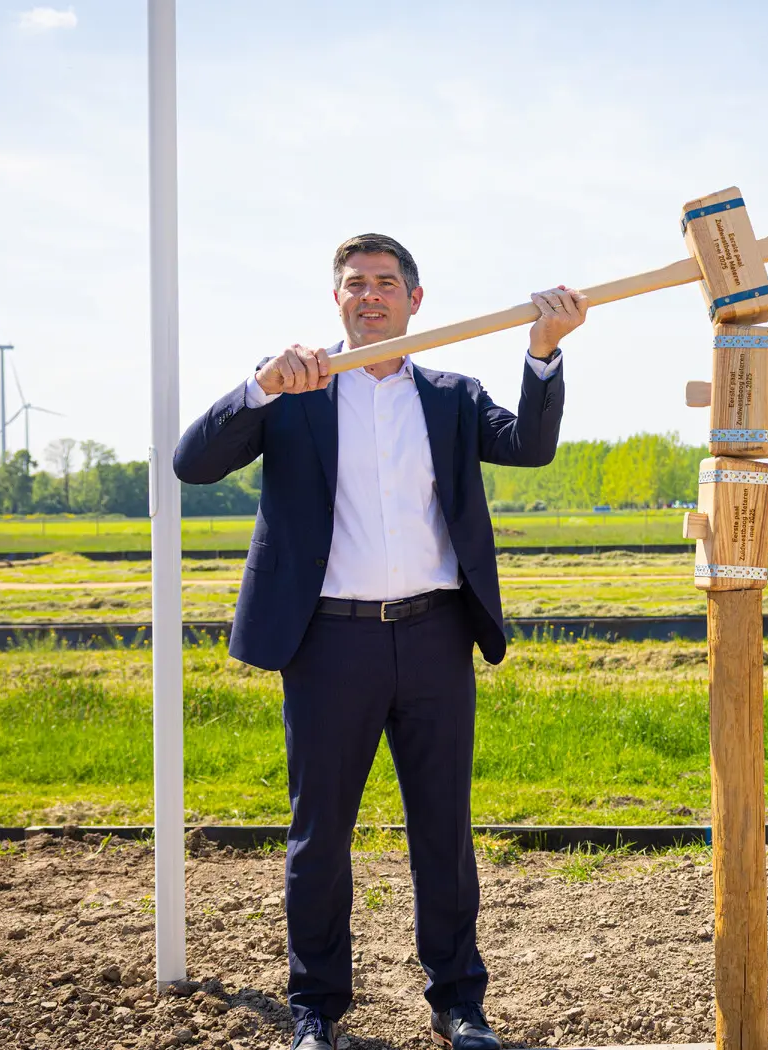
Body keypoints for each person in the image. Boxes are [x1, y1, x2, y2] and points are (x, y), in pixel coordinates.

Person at [173, 233, 587, 1050]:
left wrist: (542, 352)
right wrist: (256, 387)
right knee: (319, 835)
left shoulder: (450, 393)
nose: (371, 296)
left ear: (415, 300)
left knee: (445, 830)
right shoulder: (294, 390)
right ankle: (315, 1009)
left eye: (387, 283)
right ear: (336, 300)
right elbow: (193, 463)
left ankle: (459, 1002)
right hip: (328, 644)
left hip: (435, 637)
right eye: (356, 284)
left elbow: (530, 447)